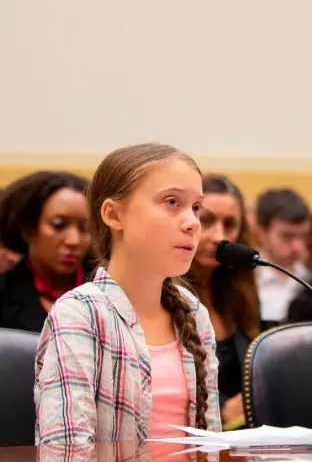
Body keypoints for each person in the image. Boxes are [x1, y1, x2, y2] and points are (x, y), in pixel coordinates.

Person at [34, 143, 222, 444]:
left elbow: (210, 446)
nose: (193, 223)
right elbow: (67, 452)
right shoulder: (81, 315)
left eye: (196, 207)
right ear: (113, 215)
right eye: (172, 202)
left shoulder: (193, 313)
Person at [187, 174, 261, 430]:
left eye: (229, 225)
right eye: (205, 220)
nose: (219, 236)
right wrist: (220, 409)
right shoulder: (161, 294)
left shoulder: (239, 293)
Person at [0, 172, 92, 332]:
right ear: (29, 229)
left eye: (85, 228)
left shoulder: (113, 292)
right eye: (58, 225)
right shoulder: (5, 293)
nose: (73, 240)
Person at [254, 188, 312, 326]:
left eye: (303, 236)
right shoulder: (246, 281)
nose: (297, 246)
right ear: (261, 233)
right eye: (287, 236)